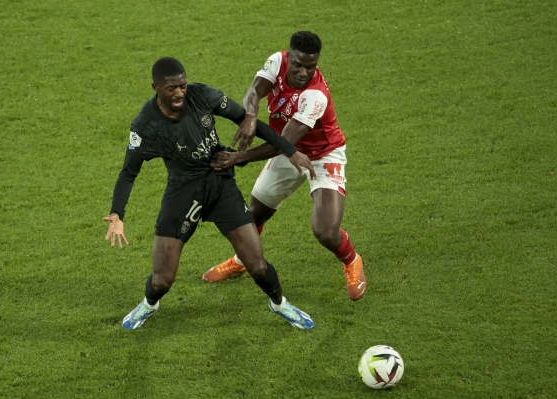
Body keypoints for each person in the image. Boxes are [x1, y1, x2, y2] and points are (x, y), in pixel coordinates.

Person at [104, 57, 317, 330]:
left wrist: (291, 150)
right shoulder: (145, 126)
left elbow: (249, 122)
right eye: (171, 88)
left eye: (182, 85)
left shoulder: (202, 95)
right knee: (162, 280)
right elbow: (128, 173)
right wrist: (117, 213)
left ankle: (279, 303)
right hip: (183, 190)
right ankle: (149, 304)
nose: (179, 92)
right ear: (156, 87)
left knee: (258, 265)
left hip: (220, 183)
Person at [203, 31, 367, 301]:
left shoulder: (315, 96)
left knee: (325, 231)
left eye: (310, 67)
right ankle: (241, 260)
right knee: (253, 215)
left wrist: (237, 158)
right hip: (288, 150)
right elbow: (255, 90)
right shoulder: (276, 61)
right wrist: (251, 117)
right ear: (289, 56)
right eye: (299, 64)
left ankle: (351, 260)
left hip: (322, 155)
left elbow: (283, 143)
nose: (303, 72)